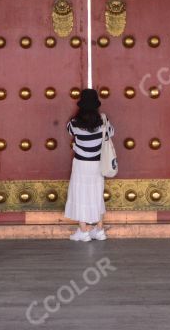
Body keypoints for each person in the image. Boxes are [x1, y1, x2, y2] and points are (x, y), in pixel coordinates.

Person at [64, 88, 114, 242]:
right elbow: (111, 133)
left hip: (81, 164)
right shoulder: (103, 121)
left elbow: (70, 133)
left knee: (80, 195)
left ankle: (84, 231)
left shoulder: (74, 123)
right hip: (97, 164)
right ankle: (99, 230)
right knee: (96, 195)